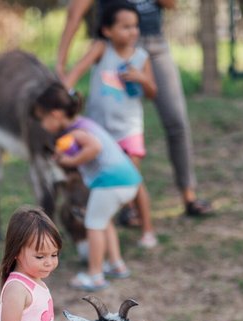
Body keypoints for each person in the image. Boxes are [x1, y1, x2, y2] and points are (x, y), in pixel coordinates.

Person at [57, 0, 213, 218]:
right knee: (108, 135)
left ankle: (188, 195)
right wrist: (61, 65)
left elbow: (171, 4)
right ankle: (125, 206)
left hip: (153, 44)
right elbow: (75, 12)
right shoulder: (102, 46)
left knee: (176, 122)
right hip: (111, 45)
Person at [63, 0, 159, 249]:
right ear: (107, 30)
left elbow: (152, 92)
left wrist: (141, 78)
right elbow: (77, 71)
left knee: (133, 180)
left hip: (129, 130)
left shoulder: (141, 57)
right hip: (101, 131)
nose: (132, 32)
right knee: (102, 181)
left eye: (135, 26)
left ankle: (147, 229)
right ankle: (104, 232)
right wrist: (64, 92)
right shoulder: (101, 49)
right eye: (125, 27)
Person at [33, 82, 141, 291]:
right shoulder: (83, 124)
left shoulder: (76, 131)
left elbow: (95, 147)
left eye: (42, 119)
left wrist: (70, 162)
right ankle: (116, 264)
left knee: (93, 224)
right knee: (104, 221)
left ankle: (95, 275)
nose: (42, 125)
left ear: (55, 115)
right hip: (127, 180)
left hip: (111, 182)